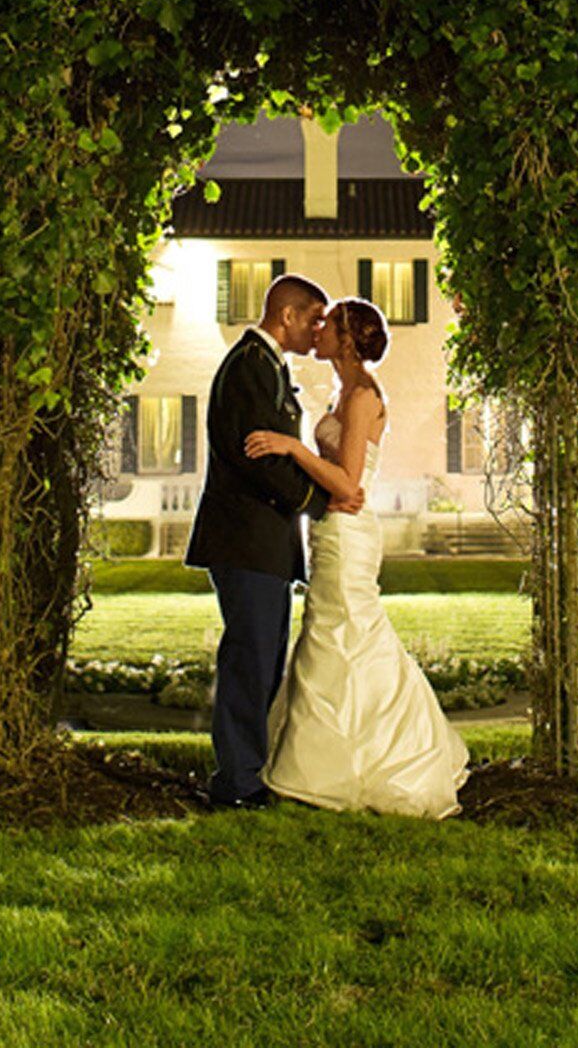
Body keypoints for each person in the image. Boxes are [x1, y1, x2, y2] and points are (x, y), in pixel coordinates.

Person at [246, 295, 471, 817]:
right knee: (331, 634)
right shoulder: (342, 392)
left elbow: (349, 483)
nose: (317, 330)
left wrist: (292, 448)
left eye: (327, 325)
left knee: (346, 633)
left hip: (348, 532)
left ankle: (373, 761)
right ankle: (328, 759)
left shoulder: (363, 395)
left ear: (346, 340)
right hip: (331, 527)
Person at [185, 273, 355, 808]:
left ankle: (246, 773)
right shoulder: (248, 368)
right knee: (250, 659)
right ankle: (236, 784)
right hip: (246, 538)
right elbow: (257, 458)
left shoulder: (265, 367)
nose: (317, 330)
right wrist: (322, 501)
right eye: (313, 318)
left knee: (262, 658)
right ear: (287, 316)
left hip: (263, 541)